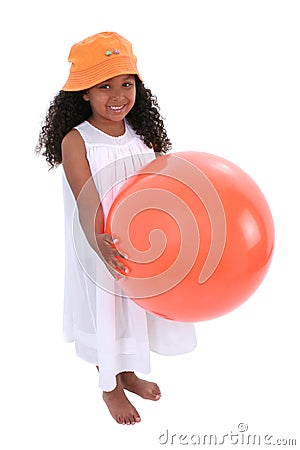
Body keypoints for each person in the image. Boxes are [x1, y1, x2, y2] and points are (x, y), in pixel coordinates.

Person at [36, 31, 197, 425]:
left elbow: (159, 182)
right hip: (100, 241)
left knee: (133, 309)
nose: (117, 94)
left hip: (141, 242)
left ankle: (126, 370)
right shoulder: (78, 140)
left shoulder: (142, 136)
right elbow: (86, 196)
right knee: (104, 307)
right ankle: (108, 383)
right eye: (103, 85)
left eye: (126, 84)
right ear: (83, 94)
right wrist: (100, 243)